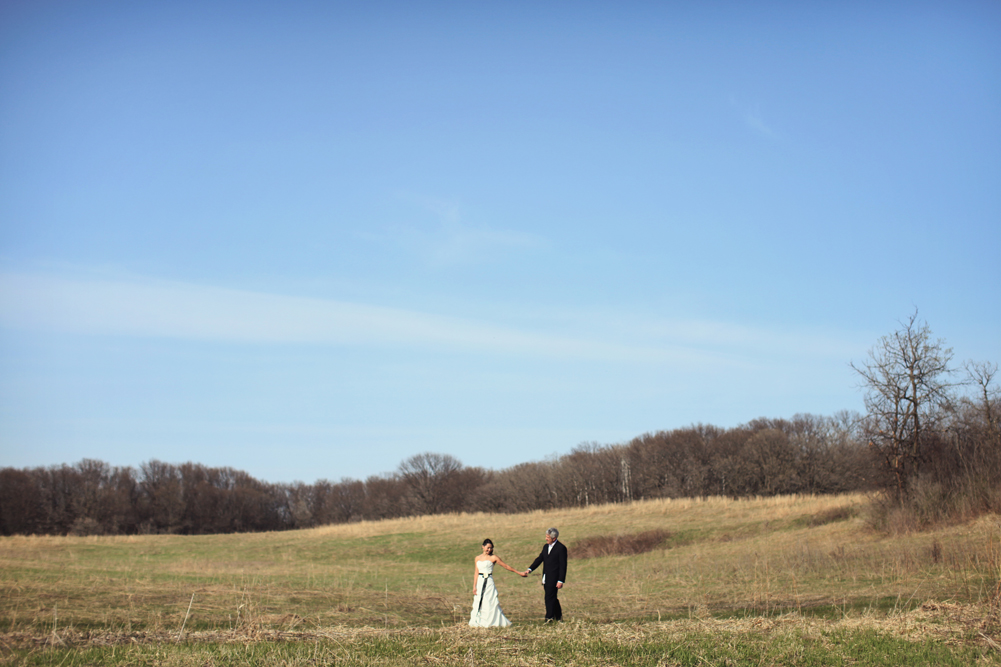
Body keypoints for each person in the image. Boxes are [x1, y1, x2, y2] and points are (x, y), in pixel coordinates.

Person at [469, 538, 526, 627]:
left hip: (488, 582)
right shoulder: (477, 558)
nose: (489, 550)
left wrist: (518, 572)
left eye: (491, 548)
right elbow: (476, 572)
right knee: (479, 600)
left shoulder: (493, 558)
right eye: (487, 548)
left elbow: (506, 566)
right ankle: (478, 621)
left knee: (489, 601)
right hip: (480, 581)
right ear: (483, 547)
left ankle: (492, 621)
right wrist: (474, 586)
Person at [523, 527, 567, 622]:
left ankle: (549, 618)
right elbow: (539, 559)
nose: (546, 538)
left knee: (549, 597)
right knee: (552, 597)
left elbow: (563, 565)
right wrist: (530, 569)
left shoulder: (561, 548)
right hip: (546, 577)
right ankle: (558, 617)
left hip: (554, 578)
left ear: (554, 538)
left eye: (548, 537)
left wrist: (560, 580)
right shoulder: (545, 547)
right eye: (546, 536)